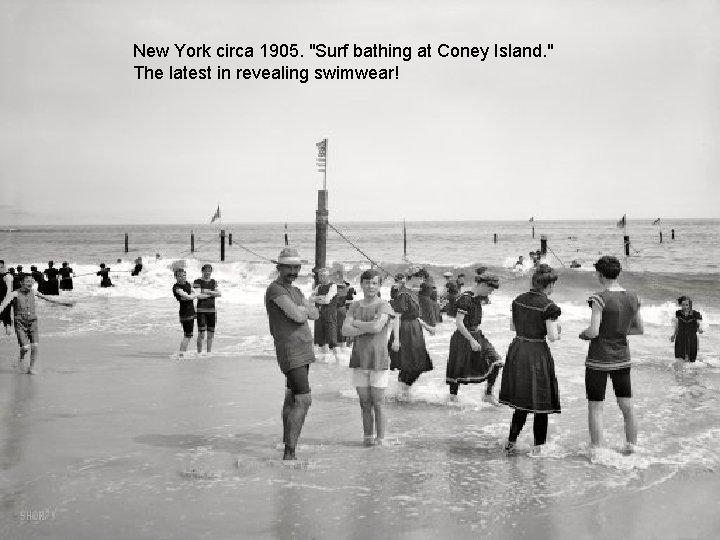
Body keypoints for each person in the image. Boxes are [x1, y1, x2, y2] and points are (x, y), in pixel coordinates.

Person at [579, 256, 642, 457]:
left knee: (596, 406)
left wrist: (584, 334)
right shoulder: (634, 297)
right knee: (627, 406)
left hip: (598, 359)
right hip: (622, 357)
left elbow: (594, 331)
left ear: (600, 274)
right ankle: (632, 447)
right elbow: (639, 328)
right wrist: (618, 333)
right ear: (618, 273)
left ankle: (597, 449)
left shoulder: (599, 298)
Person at [499, 264, 562, 456]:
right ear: (549, 285)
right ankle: (538, 449)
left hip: (517, 348)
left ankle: (511, 443)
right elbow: (552, 337)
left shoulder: (518, 300)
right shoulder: (549, 306)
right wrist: (558, 331)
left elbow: (512, 327)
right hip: (536, 352)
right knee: (540, 401)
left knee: (522, 400)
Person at [264, 247, 319, 461]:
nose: (293, 271)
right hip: (290, 350)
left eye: (296, 267)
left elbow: (315, 313)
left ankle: (287, 442)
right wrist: (303, 310)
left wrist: (304, 310)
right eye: (289, 267)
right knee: (304, 400)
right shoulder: (275, 289)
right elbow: (297, 316)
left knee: (291, 396)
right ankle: (290, 454)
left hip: (304, 348)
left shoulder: (295, 291)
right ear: (279, 267)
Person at [342, 269, 394, 445]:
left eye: (374, 283)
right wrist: (366, 325)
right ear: (362, 284)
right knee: (364, 404)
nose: (370, 286)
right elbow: (344, 330)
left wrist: (355, 323)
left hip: (378, 359)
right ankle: (367, 439)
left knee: (378, 404)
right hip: (359, 359)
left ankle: (380, 440)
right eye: (367, 282)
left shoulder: (384, 305)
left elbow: (377, 328)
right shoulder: (355, 305)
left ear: (379, 285)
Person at [446, 269, 504, 403]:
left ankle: (488, 395)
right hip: (463, 337)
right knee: (458, 368)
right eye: (490, 289)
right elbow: (459, 323)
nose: (491, 293)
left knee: (496, 361)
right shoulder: (466, 299)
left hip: (477, 334)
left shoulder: (477, 298)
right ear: (483, 285)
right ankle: (453, 397)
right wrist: (471, 340)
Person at [0, 273, 74, 374]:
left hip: (33, 322)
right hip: (20, 323)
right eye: (27, 281)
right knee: (25, 347)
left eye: (31, 281)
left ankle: (31, 368)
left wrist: (63, 303)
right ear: (21, 282)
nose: (30, 283)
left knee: (35, 345)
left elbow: (48, 299)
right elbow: (3, 305)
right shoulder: (15, 294)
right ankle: (21, 359)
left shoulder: (34, 292)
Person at [389, 268, 435, 395]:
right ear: (413, 277)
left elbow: (414, 315)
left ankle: (402, 390)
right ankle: (402, 390)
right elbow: (397, 317)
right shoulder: (403, 294)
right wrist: (396, 340)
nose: (422, 281)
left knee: (415, 363)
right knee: (412, 364)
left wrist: (427, 326)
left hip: (414, 330)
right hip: (405, 331)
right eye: (421, 278)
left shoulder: (411, 292)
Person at [172, 268, 207, 359]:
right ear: (176, 277)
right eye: (180, 276)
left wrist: (200, 295)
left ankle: (183, 353)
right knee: (187, 335)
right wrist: (195, 296)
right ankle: (181, 355)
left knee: (189, 335)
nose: (182, 277)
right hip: (185, 314)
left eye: (184, 275)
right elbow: (186, 296)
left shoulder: (187, 284)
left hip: (191, 312)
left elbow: (194, 293)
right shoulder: (176, 287)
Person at [309, 267, 339, 362]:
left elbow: (327, 300)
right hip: (319, 315)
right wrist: (320, 298)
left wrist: (317, 298)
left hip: (330, 315)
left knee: (332, 338)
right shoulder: (318, 287)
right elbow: (310, 299)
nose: (321, 278)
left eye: (323, 276)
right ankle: (324, 361)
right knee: (321, 339)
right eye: (320, 276)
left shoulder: (333, 286)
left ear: (328, 276)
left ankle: (338, 360)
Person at [193, 264, 221, 354]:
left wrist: (206, 291)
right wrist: (212, 293)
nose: (208, 272)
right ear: (202, 271)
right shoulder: (197, 281)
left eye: (209, 270)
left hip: (212, 311)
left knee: (210, 334)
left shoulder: (214, 282)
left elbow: (219, 294)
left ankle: (209, 353)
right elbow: (198, 296)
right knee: (201, 334)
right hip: (201, 311)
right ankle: (199, 353)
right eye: (206, 270)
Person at [671, 295, 703, 362]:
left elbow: (699, 323)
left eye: (686, 305)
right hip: (680, 337)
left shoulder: (696, 313)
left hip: (691, 338)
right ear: (680, 305)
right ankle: (680, 372)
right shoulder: (678, 313)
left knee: (691, 360)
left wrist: (700, 328)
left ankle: (690, 371)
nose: (685, 307)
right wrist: (673, 336)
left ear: (690, 305)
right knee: (679, 358)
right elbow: (677, 325)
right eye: (683, 305)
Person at [0, 260, 14, 334]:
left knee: (6, 313)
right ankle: (7, 329)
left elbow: (9, 289)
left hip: (5, 297)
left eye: (1, 266)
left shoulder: (6, 276)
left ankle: (8, 329)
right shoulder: (6, 276)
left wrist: (7, 298)